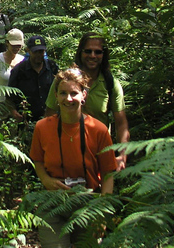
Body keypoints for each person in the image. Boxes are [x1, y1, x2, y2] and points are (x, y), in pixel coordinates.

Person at [30, 69, 116, 247]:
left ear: (84, 95)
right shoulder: (42, 127)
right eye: (63, 93)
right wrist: (46, 180)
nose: (68, 99)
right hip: (53, 202)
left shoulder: (98, 130)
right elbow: (37, 160)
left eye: (73, 93)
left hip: (88, 203)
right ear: (56, 96)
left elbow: (108, 173)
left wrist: (101, 213)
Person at [44, 32, 130, 170]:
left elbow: (121, 123)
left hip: (100, 154)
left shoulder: (110, 84)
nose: (93, 56)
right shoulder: (64, 81)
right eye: (88, 51)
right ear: (80, 52)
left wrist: (122, 156)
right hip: (66, 151)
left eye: (98, 52)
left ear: (104, 54)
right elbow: (49, 116)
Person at [7, 34, 59, 121]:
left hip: (50, 118)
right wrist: (14, 112)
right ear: (28, 51)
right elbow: (9, 96)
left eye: (41, 52)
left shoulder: (52, 67)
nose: (39, 55)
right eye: (35, 52)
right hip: (27, 120)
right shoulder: (19, 70)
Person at [0, 28, 25, 110]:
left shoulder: (23, 60)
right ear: (7, 43)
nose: (16, 48)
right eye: (13, 45)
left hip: (16, 105)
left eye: (18, 45)